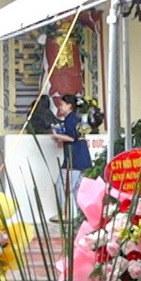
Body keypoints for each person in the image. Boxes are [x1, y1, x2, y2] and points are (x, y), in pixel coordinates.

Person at [50, 93, 92, 221]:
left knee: (62, 186)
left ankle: (65, 214)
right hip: (80, 157)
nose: (60, 107)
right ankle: (83, 216)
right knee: (76, 189)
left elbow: (72, 137)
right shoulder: (75, 118)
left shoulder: (70, 119)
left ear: (69, 106)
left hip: (74, 159)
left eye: (62, 105)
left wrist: (56, 136)